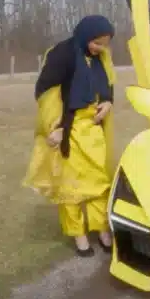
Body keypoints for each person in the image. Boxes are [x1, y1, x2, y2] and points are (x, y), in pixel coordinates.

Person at [23, 15, 118, 257]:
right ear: (86, 35)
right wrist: (55, 126)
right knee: (71, 187)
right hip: (69, 128)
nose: (101, 49)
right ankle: (79, 235)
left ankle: (102, 230)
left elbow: (107, 86)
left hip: (93, 130)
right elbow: (46, 92)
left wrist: (107, 102)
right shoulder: (62, 54)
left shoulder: (101, 57)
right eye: (97, 43)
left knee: (99, 183)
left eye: (105, 44)